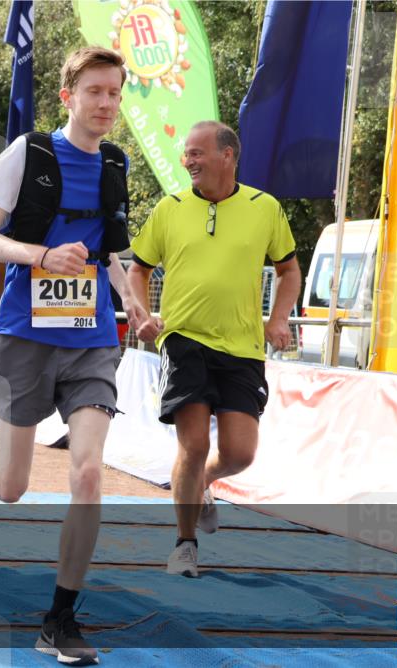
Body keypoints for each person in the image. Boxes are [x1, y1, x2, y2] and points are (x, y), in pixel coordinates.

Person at [0, 46, 140, 666]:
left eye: (115, 93)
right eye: (95, 91)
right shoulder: (29, 153)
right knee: (13, 485)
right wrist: (42, 256)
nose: (106, 103)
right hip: (25, 334)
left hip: (92, 339)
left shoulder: (116, 163)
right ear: (68, 97)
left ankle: (60, 618)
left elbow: (112, 252)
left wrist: (133, 302)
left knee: (88, 473)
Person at [127, 120, 300, 578]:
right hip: (184, 340)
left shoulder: (265, 208)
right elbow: (137, 269)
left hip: (243, 348)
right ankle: (185, 545)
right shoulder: (169, 208)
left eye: (197, 152)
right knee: (195, 443)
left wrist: (278, 318)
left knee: (240, 454)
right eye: (186, 153)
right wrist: (142, 314)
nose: (188, 160)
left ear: (228, 155)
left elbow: (289, 270)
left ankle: (203, 481)